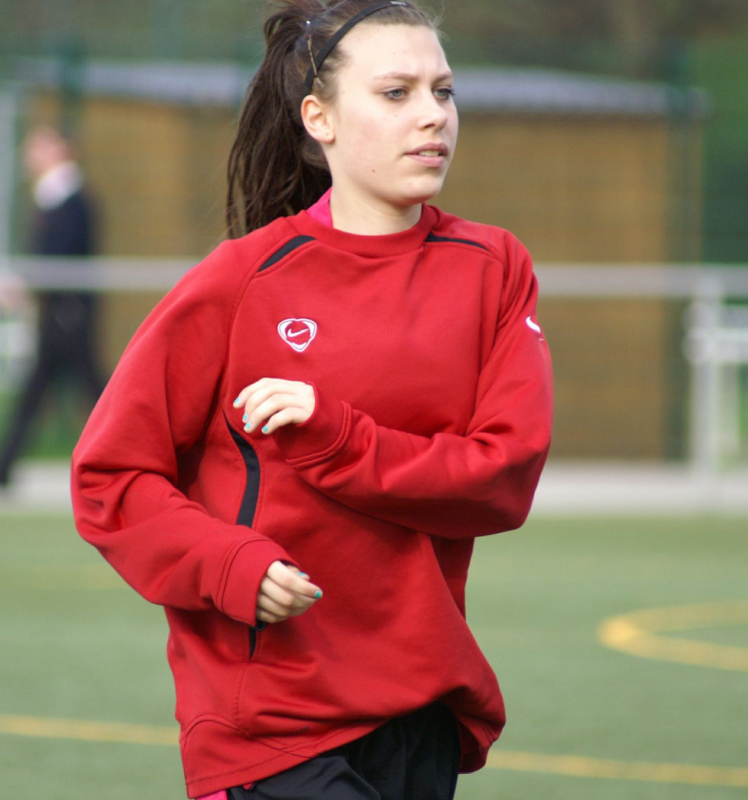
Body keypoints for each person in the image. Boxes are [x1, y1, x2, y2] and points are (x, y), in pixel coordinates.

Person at [71, 1, 553, 798]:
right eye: (396, 93)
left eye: (444, 91)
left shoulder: (494, 267)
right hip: (269, 719)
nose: (433, 115)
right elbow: (110, 478)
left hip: (421, 705)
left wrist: (336, 438)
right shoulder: (241, 280)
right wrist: (227, 563)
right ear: (318, 118)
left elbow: (503, 476)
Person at [0, 125, 105, 487]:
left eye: (41, 146)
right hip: (55, 317)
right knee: (40, 393)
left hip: (70, 316)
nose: (32, 155)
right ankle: (4, 467)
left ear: (62, 149)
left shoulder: (73, 200)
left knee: (97, 394)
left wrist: (27, 283)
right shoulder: (50, 198)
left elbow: (60, 254)